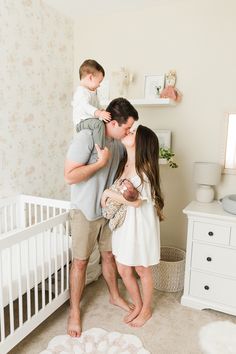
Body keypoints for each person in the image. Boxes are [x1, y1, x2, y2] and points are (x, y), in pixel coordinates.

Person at [64, 97, 139, 337]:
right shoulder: (86, 138)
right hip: (85, 210)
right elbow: (70, 176)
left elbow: (130, 172)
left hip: (107, 211)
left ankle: (114, 296)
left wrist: (130, 146)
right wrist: (100, 163)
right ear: (114, 123)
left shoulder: (118, 144)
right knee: (81, 262)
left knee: (109, 256)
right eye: (126, 127)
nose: (129, 131)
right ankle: (74, 310)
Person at [102, 125, 164, 327]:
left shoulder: (144, 168)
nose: (128, 132)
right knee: (122, 267)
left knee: (142, 268)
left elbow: (137, 202)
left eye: (133, 132)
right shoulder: (124, 164)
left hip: (140, 226)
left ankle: (146, 309)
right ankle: (138, 305)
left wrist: (109, 194)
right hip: (125, 224)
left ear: (142, 142)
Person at [72, 59, 111, 148]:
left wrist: (101, 110)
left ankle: (103, 143)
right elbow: (86, 107)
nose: (99, 85)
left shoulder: (92, 91)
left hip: (89, 120)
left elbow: (96, 104)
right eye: (99, 82)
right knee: (98, 124)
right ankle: (98, 150)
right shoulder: (81, 92)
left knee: (102, 122)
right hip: (81, 122)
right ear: (90, 77)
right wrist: (99, 113)